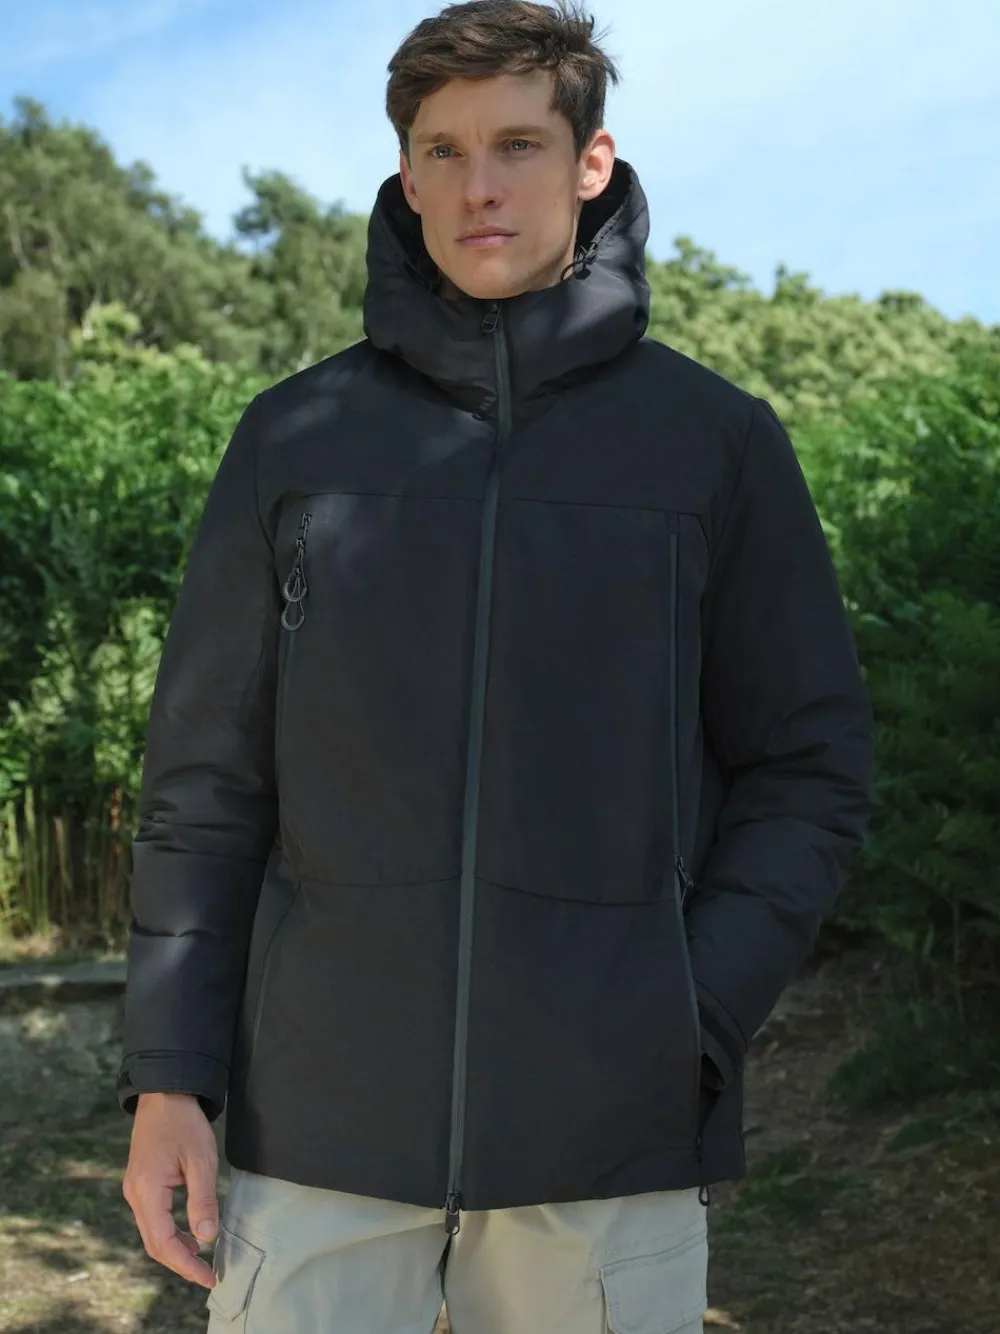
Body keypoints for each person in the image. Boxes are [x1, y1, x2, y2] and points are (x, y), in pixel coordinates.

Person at [118, 2, 876, 1330]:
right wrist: (168, 1073)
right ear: (407, 177)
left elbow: (808, 767)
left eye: (519, 144)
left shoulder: (715, 444)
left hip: (607, 1147)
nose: (480, 185)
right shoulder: (294, 439)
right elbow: (205, 783)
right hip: (318, 1134)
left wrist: (690, 1016)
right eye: (444, 150)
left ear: (591, 163)